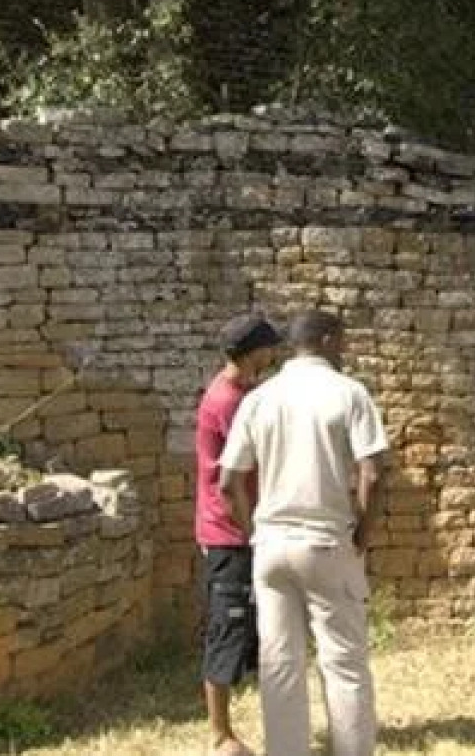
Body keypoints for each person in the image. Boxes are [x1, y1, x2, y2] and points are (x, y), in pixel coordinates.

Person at [220, 310, 388, 756]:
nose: (345, 349)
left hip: (272, 544)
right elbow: (372, 471)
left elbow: (228, 480)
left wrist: (253, 527)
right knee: (344, 662)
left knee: (280, 665)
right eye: (343, 341)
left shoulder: (260, 398)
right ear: (328, 339)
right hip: (328, 538)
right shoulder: (349, 392)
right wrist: (363, 535)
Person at [195, 315, 284, 756]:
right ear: (254, 353)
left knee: (250, 628)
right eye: (269, 349)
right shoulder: (228, 401)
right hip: (230, 532)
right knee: (226, 627)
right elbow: (232, 480)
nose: (274, 356)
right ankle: (220, 735)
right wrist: (252, 534)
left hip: (241, 527)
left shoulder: (244, 394)